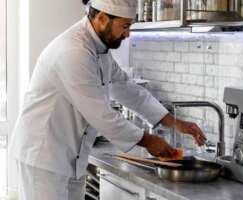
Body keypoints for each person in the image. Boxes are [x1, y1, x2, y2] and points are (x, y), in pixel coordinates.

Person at [9, 0, 206, 199]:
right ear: (102, 18)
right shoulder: (74, 51)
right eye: (125, 26)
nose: (127, 34)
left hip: (70, 158)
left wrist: (175, 122)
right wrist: (148, 141)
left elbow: (128, 90)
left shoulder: (98, 48)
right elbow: (101, 115)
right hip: (44, 158)